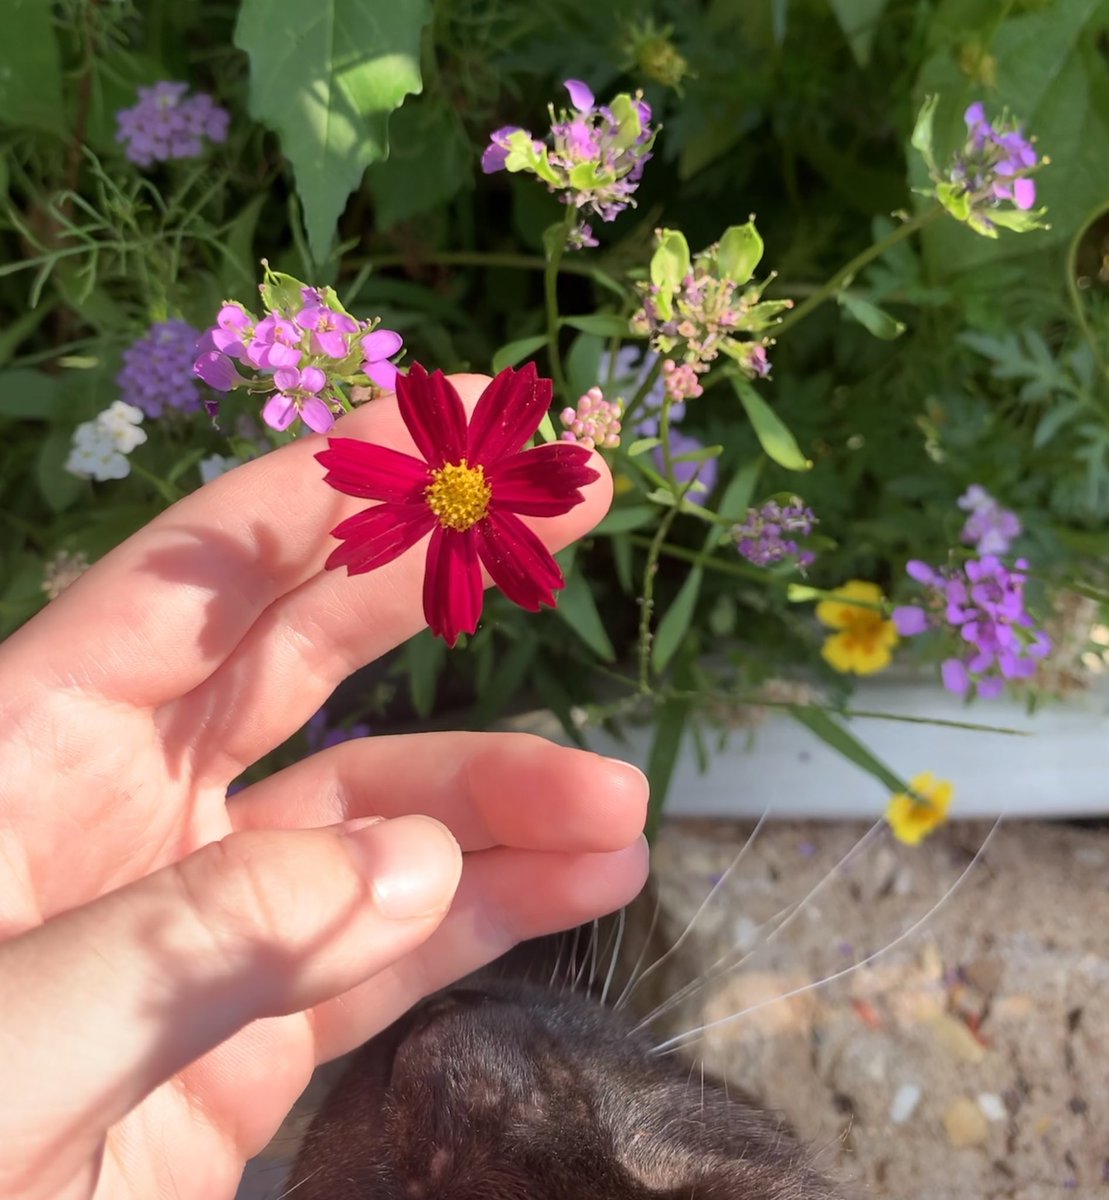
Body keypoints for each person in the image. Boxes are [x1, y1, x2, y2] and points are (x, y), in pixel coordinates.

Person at [0, 374, 649, 1200]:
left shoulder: (473, 521)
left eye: (462, 489)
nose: (456, 490)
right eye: (454, 487)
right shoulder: (419, 504)